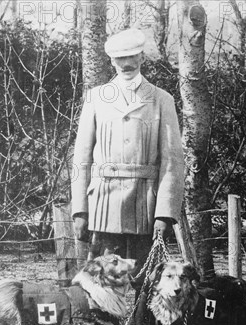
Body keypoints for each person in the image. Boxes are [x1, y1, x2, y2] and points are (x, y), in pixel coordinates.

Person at [71, 27, 185, 275]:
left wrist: (164, 214)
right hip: (104, 206)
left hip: (145, 207)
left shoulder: (161, 99)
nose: (126, 64)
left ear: (142, 57)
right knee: (102, 282)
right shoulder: (96, 98)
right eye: (119, 58)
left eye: (132, 56)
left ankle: (140, 317)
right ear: (111, 60)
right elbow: (81, 159)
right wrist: (80, 210)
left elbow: (172, 162)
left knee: (146, 281)